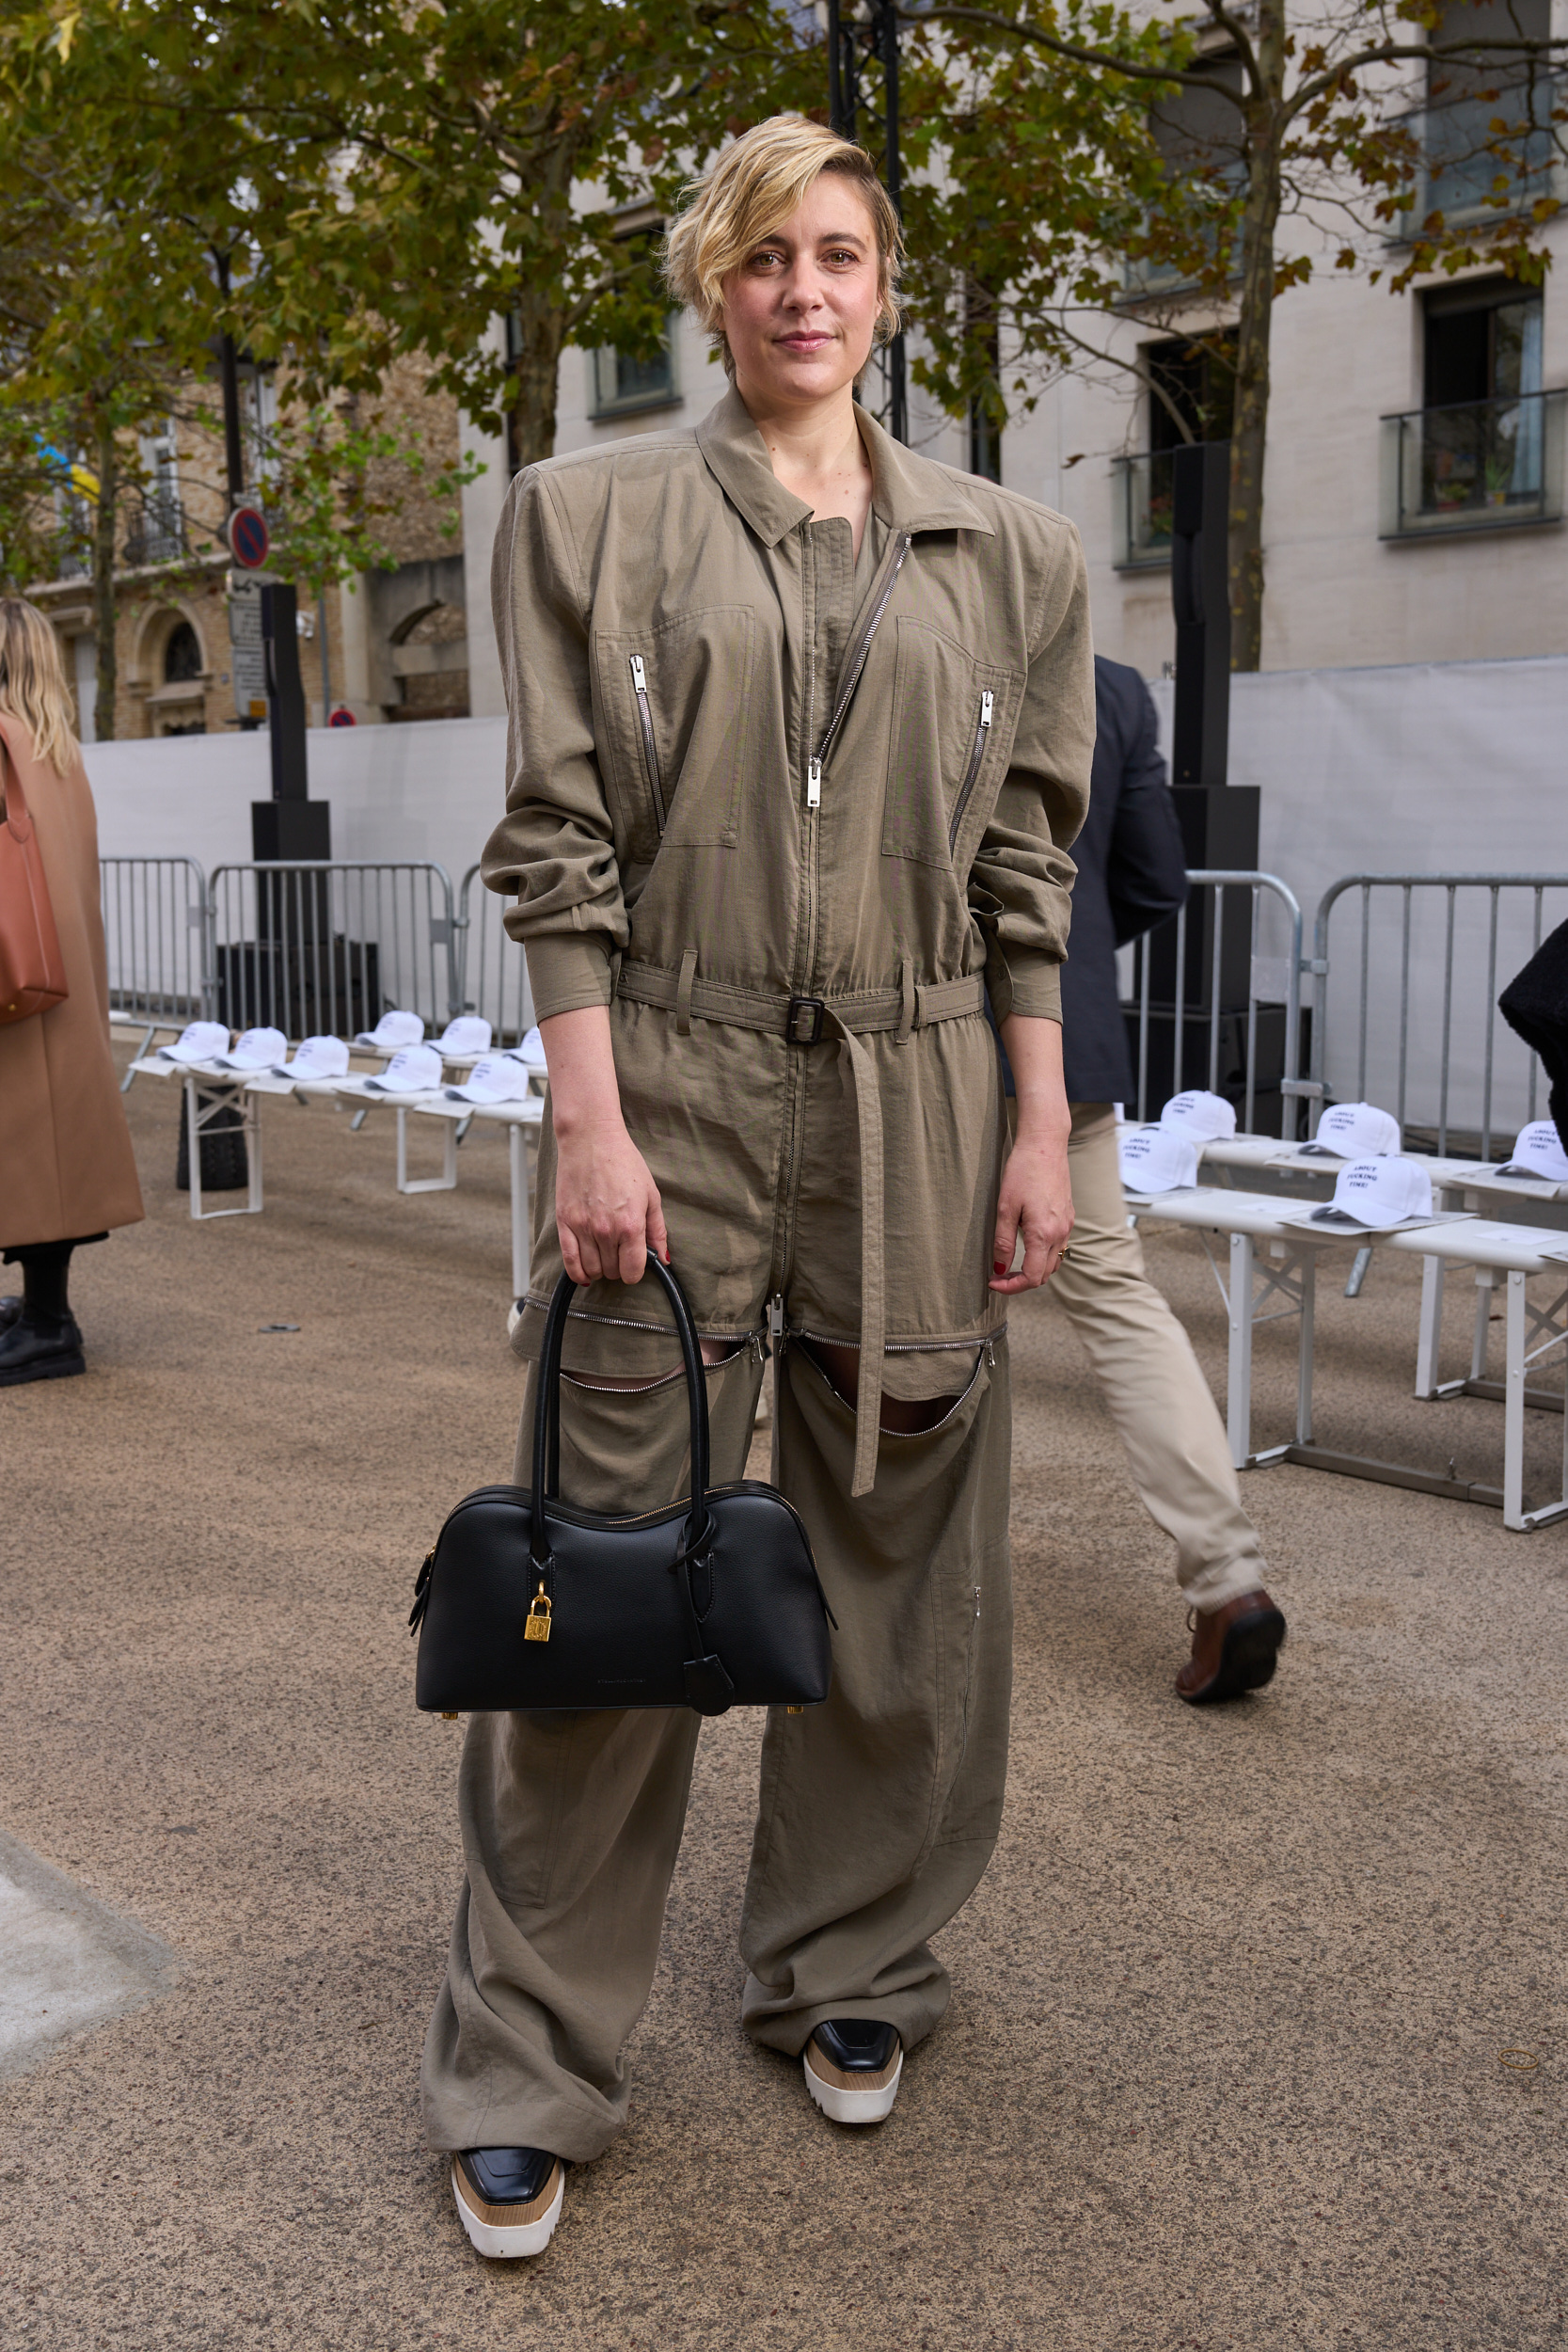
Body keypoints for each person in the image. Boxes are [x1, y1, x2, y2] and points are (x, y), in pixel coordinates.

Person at [420, 115, 1094, 2260]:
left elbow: (1023, 873)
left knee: (904, 1571)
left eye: (843, 253)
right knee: (608, 1574)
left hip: (922, 1101)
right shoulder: (587, 522)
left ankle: (851, 1965)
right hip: (675, 1090)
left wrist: (1037, 1124)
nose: (805, 288)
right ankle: (525, 2063)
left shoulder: (1014, 559)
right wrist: (591, 1122)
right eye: (764, 256)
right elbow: (557, 846)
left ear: (888, 288)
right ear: (712, 288)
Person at [1046, 654, 1286, 1702]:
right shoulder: (1107, 685)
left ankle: (876, 1596)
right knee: (1116, 1300)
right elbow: (1152, 876)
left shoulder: (881, 634)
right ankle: (1227, 1579)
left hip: (907, 1051)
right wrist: (1074, 955)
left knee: (879, 1309)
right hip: (1068, 1048)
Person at [0, 598, 143, 1384]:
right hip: (61, 978)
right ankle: (41, 1311)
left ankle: (51, 1325)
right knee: (44, 1159)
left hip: (15, 985)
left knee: (24, 1155)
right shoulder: (58, 750)